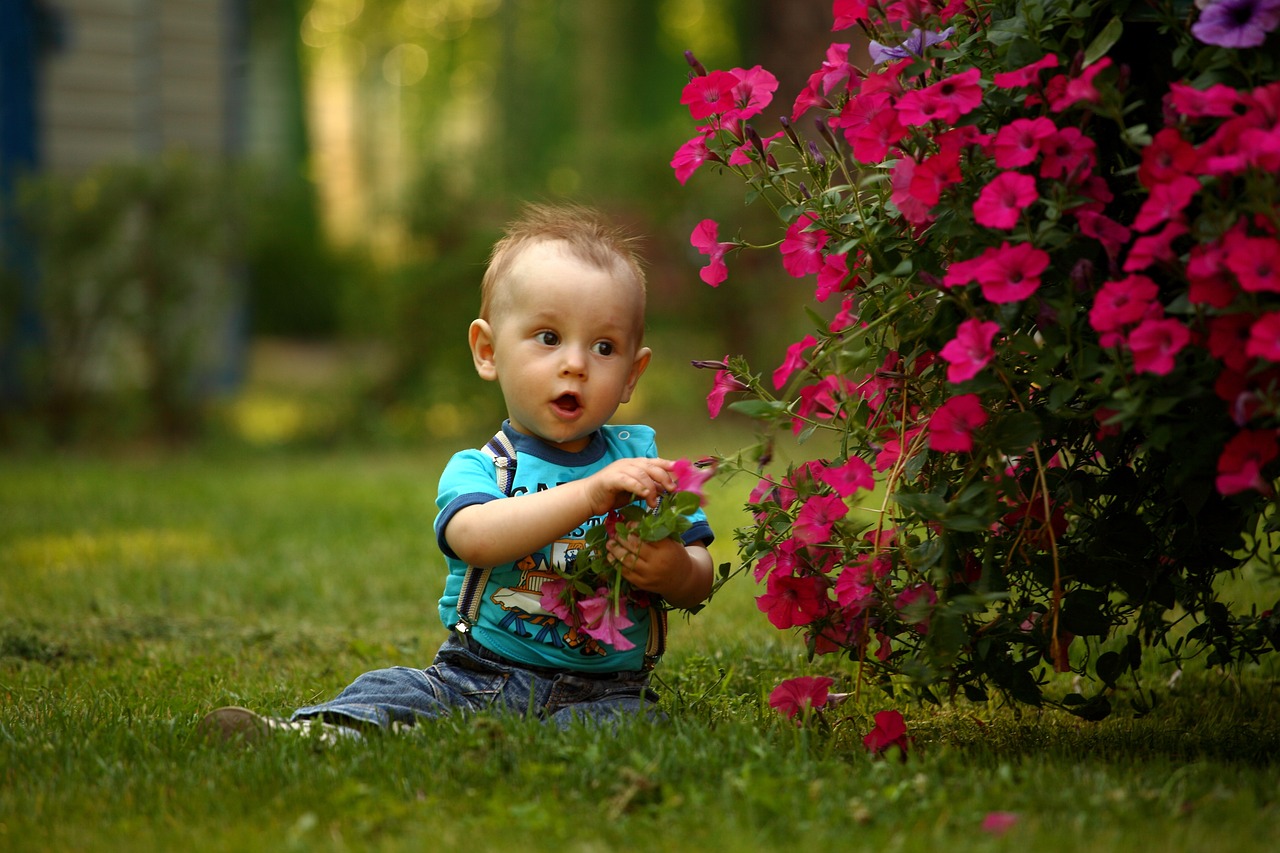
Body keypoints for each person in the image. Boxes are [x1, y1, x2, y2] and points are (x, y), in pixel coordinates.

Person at [199, 204, 714, 743]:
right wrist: (587, 495)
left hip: (610, 691)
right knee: (401, 690)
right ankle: (327, 734)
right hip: (480, 675)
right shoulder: (483, 466)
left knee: (630, 731)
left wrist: (675, 570)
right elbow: (475, 539)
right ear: (488, 352)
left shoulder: (646, 467)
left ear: (633, 374)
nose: (576, 364)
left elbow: (699, 574)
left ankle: (500, 744)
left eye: (604, 347)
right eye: (548, 337)